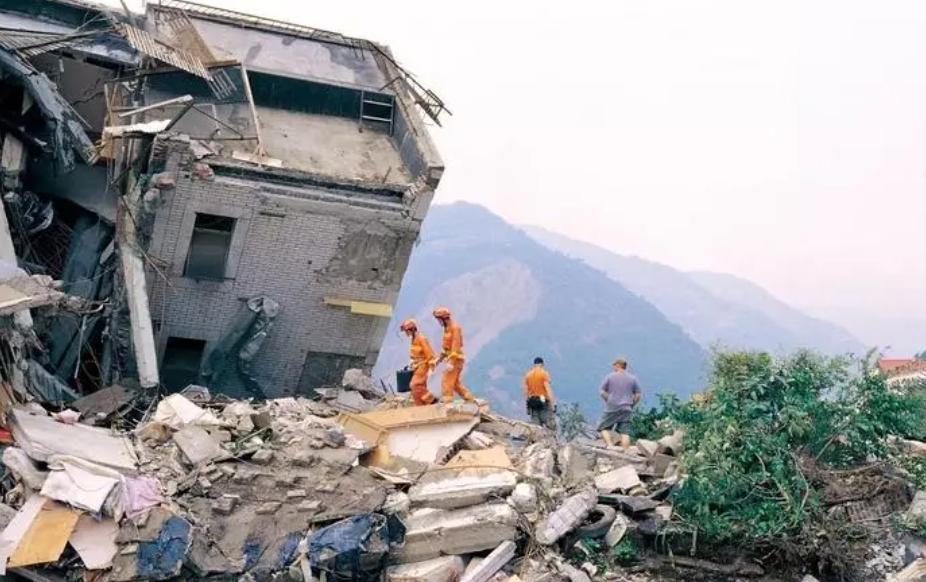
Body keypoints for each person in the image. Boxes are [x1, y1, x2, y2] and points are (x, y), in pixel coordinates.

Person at [596, 358, 642, 449]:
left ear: (617, 365)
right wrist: (632, 405)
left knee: (602, 427)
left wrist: (608, 400)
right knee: (625, 432)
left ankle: (610, 445)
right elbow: (638, 395)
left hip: (612, 407)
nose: (613, 367)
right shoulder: (633, 378)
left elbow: (601, 392)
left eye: (614, 365)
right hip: (627, 407)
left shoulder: (610, 376)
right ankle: (625, 452)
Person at [432, 307, 475, 403]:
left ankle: (448, 403)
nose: (438, 322)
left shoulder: (455, 328)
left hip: (456, 360)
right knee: (455, 384)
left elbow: (455, 346)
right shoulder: (447, 329)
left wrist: (451, 362)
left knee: (446, 380)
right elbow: (446, 348)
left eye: (439, 320)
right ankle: (470, 399)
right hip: (452, 359)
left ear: (444, 318)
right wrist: (438, 360)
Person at [400, 319, 437, 405]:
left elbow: (429, 353)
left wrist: (432, 367)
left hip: (423, 366)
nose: (406, 333)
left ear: (412, 329)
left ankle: (432, 401)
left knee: (415, 385)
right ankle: (421, 407)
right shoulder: (413, 339)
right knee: (416, 391)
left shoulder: (421, 339)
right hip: (416, 366)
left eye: (407, 331)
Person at [524, 357, 555, 428]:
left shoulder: (528, 375)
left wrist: (527, 405)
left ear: (534, 365)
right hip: (543, 399)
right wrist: (553, 404)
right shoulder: (544, 373)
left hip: (532, 401)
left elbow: (525, 391)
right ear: (542, 364)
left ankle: (537, 437)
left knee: (536, 426)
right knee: (549, 424)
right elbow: (548, 390)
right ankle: (549, 437)